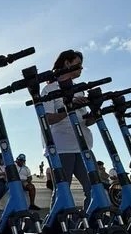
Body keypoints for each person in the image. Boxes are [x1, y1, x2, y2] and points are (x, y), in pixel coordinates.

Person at [40, 49, 94, 209]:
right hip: (61, 147)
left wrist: (96, 111)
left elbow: (85, 120)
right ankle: (56, 226)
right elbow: (48, 119)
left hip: (83, 146)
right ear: (67, 63)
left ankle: (91, 223)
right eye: (78, 64)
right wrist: (69, 107)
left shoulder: (80, 89)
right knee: (62, 191)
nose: (81, 68)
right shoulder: (49, 90)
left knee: (94, 188)